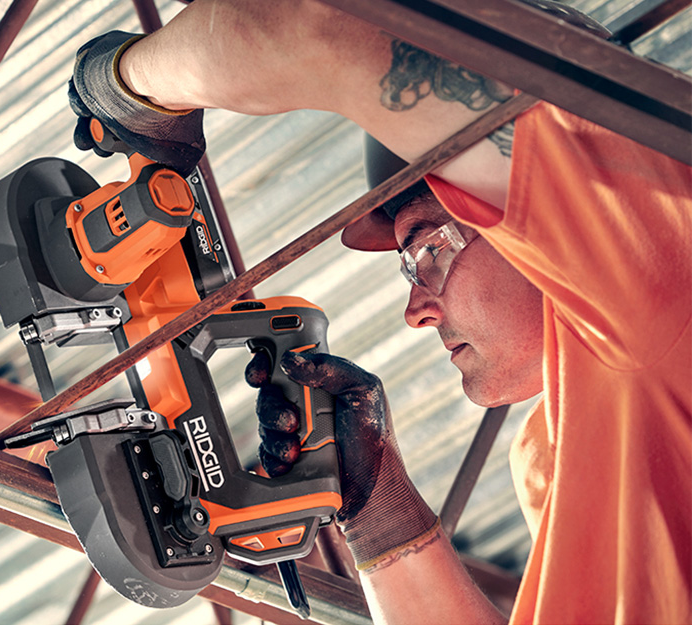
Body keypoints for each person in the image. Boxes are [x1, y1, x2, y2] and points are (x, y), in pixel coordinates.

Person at [67, 1, 692, 622]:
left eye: (427, 248)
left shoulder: (663, 268)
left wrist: (124, 82)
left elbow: (314, 25)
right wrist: (380, 509)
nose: (416, 312)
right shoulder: (558, 454)